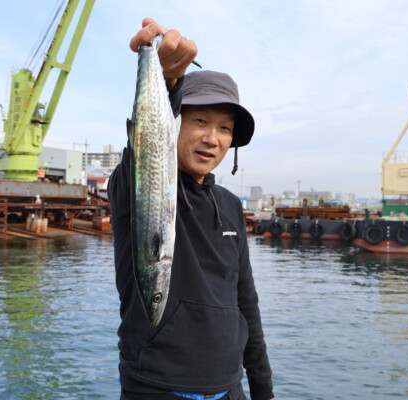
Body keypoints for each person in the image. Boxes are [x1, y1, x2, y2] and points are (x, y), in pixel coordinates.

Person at [108, 18, 274, 400]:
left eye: (225, 129)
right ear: (176, 120)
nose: (212, 139)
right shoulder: (131, 186)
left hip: (230, 389)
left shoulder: (231, 207)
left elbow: (246, 304)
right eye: (199, 120)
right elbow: (144, 150)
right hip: (155, 388)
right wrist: (167, 83)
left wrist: (263, 390)